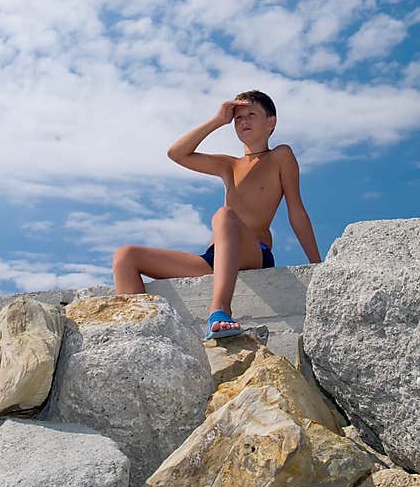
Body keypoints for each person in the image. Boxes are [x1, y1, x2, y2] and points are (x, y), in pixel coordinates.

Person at [112, 90, 322, 340]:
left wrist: (317, 265)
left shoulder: (281, 156)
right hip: (214, 258)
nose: (243, 121)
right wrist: (217, 120)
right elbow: (176, 154)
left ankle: (220, 310)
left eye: (251, 114)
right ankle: (137, 337)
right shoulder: (229, 165)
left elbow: (296, 210)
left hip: (254, 252)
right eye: (238, 117)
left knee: (224, 216)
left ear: (271, 122)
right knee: (126, 256)